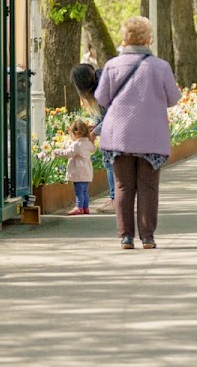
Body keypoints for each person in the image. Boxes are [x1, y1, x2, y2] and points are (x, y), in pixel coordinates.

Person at [95, 16, 181, 250]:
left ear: (124, 38)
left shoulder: (112, 65)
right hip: (151, 136)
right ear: (147, 39)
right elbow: (173, 98)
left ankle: (125, 236)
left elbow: (101, 98)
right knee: (148, 187)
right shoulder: (160, 66)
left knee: (123, 186)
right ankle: (147, 237)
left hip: (119, 133)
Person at [71, 63, 115, 213]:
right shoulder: (101, 83)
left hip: (120, 128)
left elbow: (112, 116)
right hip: (117, 128)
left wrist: (95, 132)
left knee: (110, 162)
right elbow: (102, 116)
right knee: (109, 161)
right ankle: (115, 198)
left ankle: (116, 199)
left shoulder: (102, 89)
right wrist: (94, 126)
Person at [54, 119, 96, 216]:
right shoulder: (88, 143)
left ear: (75, 133)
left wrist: (57, 151)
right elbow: (93, 149)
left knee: (79, 191)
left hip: (79, 171)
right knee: (85, 191)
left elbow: (68, 154)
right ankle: (85, 207)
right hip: (87, 171)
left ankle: (79, 207)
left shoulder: (76, 144)